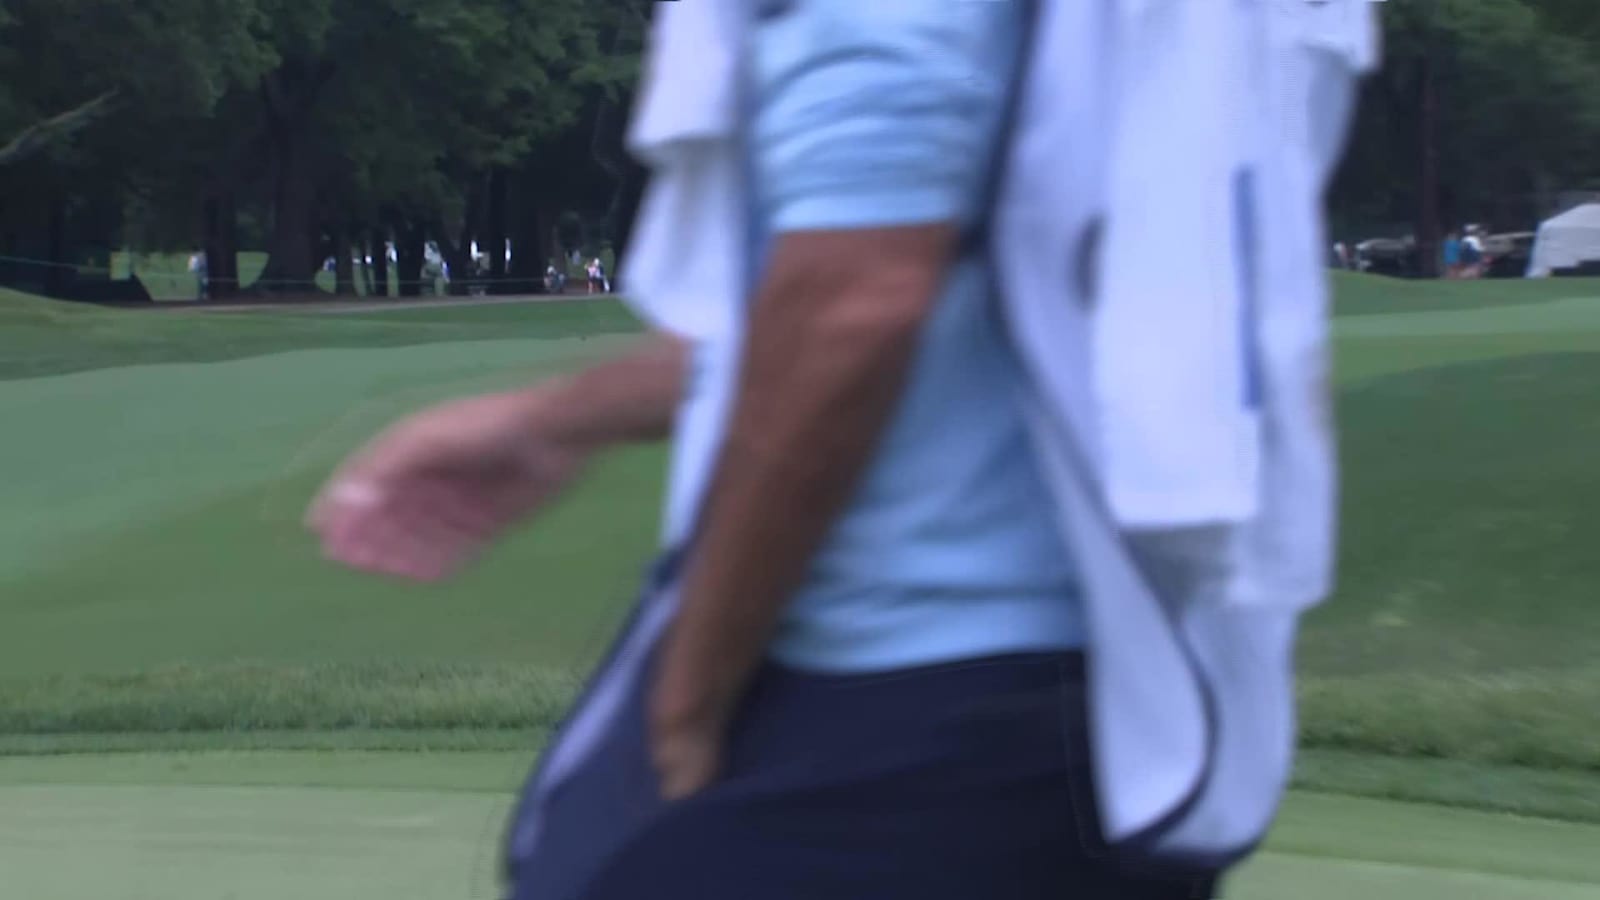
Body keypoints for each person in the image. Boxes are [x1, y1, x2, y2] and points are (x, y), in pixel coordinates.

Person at [308, 1, 1370, 897]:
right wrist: (547, 423)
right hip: (1109, 721)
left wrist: (687, 706)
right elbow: (884, 299)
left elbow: (857, 306)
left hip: (900, 718)